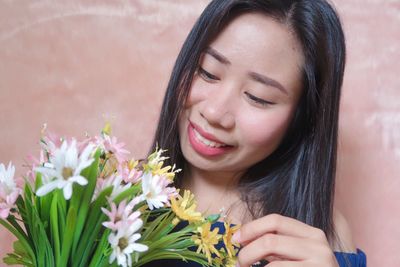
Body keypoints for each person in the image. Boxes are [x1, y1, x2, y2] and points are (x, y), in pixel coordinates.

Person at [144, 0, 366, 266]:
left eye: (258, 97)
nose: (214, 112)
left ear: (301, 118)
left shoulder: (319, 238)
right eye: (207, 72)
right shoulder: (111, 201)